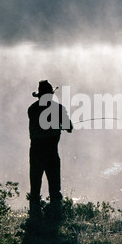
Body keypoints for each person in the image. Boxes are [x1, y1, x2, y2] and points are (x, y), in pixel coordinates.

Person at [27, 80, 73, 219]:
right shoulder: (58, 108)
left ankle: (34, 217)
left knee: (35, 187)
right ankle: (55, 216)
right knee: (54, 188)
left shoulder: (32, 109)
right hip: (51, 153)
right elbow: (69, 127)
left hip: (35, 152)